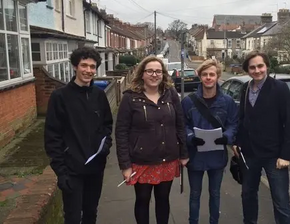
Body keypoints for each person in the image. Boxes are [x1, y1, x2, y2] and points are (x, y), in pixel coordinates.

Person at [115, 56, 189, 224]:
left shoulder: (171, 94)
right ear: (142, 74)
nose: (154, 75)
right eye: (150, 71)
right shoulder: (130, 98)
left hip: (168, 158)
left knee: (163, 199)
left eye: (158, 71)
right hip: (142, 160)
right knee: (142, 199)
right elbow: (121, 132)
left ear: (163, 74)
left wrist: (183, 153)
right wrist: (125, 165)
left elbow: (180, 124)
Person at [44, 46, 113, 224]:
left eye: (92, 67)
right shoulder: (60, 97)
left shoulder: (99, 95)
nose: (88, 70)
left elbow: (107, 125)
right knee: (73, 218)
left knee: (91, 213)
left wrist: (105, 147)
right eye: (84, 65)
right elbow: (52, 136)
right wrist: (60, 171)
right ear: (75, 66)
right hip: (71, 170)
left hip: (95, 168)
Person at [234, 51, 290, 224]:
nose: (257, 70)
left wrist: (285, 155)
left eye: (260, 66)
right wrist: (237, 142)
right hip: (249, 154)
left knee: (281, 200)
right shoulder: (245, 88)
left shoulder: (279, 88)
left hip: (274, 155)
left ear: (267, 66)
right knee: (247, 195)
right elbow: (242, 118)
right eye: (252, 67)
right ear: (247, 70)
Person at [181, 59, 238, 224]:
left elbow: (233, 123)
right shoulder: (188, 101)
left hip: (217, 155)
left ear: (217, 76)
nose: (208, 78)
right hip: (195, 155)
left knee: (215, 193)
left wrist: (226, 136)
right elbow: (182, 124)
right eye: (205, 74)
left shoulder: (227, 102)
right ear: (200, 77)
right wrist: (191, 137)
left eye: (211, 74)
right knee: (195, 194)